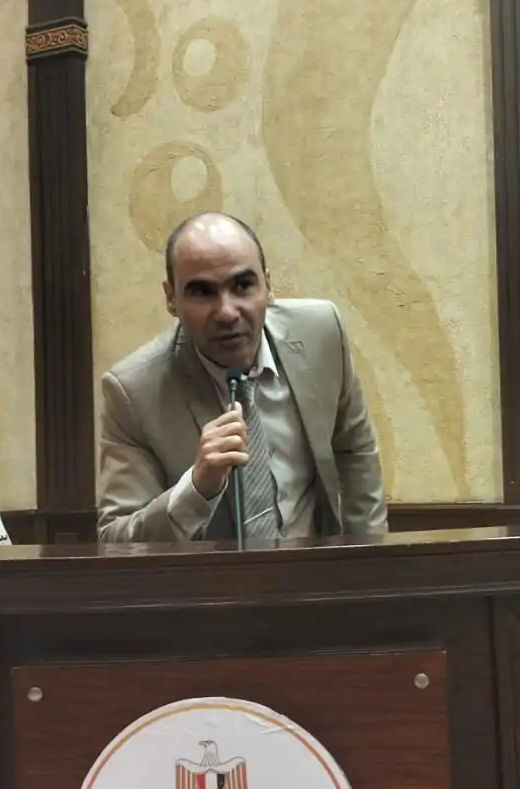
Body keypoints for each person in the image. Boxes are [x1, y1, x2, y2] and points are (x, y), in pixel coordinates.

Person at [96, 211, 388, 544]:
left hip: (315, 569)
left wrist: (369, 560)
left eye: (243, 286)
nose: (226, 312)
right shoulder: (133, 392)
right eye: (202, 291)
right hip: (211, 577)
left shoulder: (321, 334)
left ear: (268, 285)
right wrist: (195, 489)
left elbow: (355, 453)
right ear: (171, 299)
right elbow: (116, 539)